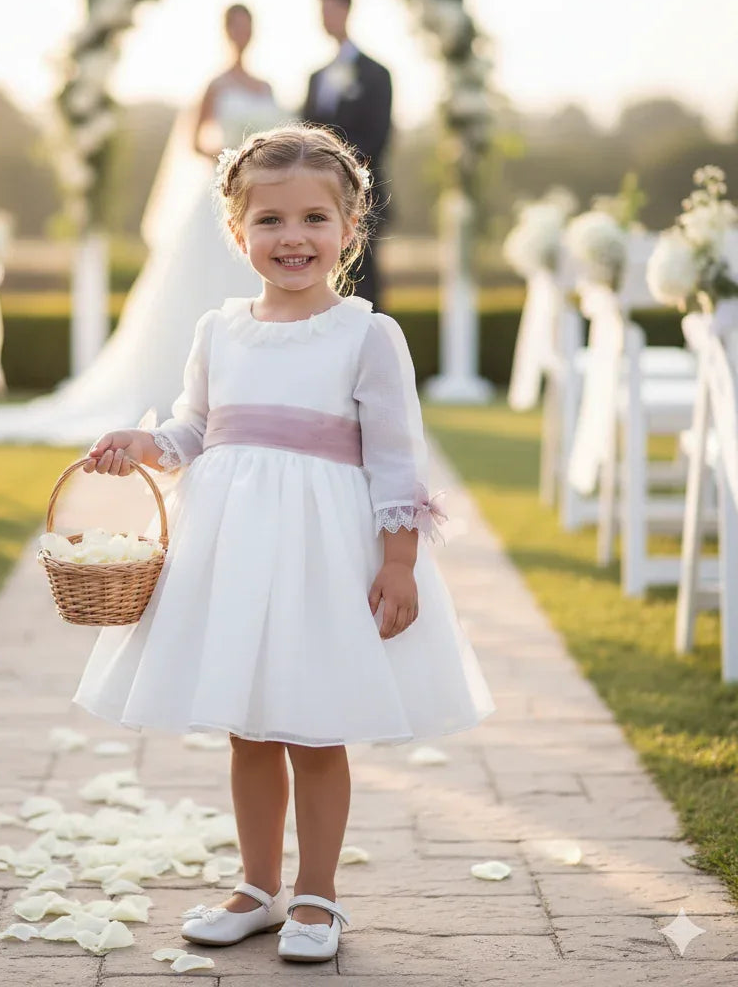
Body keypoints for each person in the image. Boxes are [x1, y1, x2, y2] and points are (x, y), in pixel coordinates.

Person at [73, 124, 494, 963]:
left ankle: (318, 895)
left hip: (323, 556)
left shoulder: (366, 335)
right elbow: (196, 428)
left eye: (313, 219)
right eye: (269, 221)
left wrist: (400, 562)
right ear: (237, 232)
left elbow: (395, 458)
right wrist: (146, 443)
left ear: (349, 230)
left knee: (315, 724)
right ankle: (258, 886)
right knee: (250, 729)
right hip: (234, 552)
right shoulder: (219, 331)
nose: (292, 238)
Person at [0, 3, 281, 445]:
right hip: (222, 197)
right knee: (200, 293)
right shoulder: (214, 86)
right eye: (235, 26)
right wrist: (233, 165)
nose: (242, 33)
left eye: (247, 26)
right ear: (225, 32)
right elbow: (196, 141)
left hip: (260, 202)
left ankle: (257, 385)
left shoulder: (267, 87)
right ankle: (194, 393)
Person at [302, 0, 393, 310]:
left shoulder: (376, 74)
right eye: (321, 12)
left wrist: (338, 173)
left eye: (331, 10)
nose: (325, 18)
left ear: (346, 11)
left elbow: (379, 136)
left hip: (360, 196)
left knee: (363, 281)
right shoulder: (316, 77)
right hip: (313, 199)